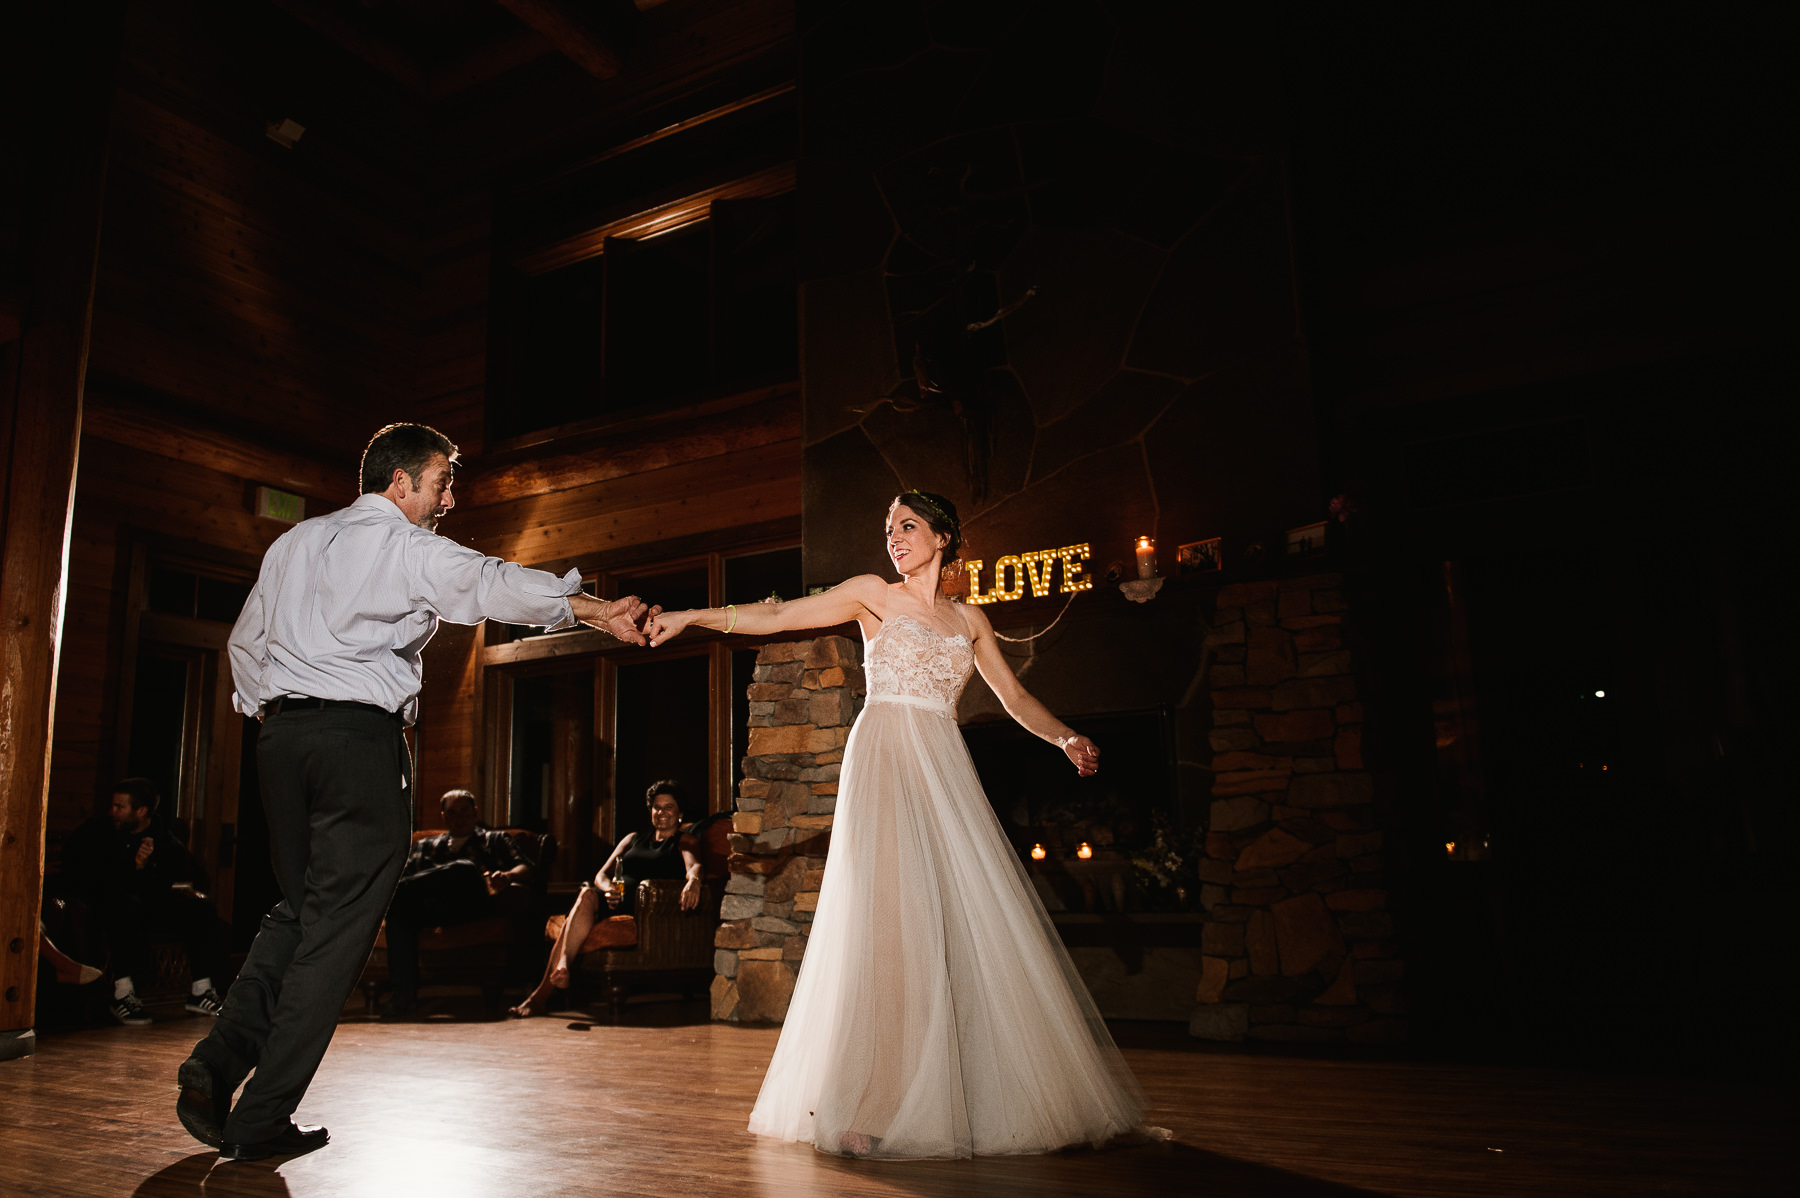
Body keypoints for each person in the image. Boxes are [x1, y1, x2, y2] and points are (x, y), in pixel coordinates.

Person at [176, 422, 652, 1162]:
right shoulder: (404, 545)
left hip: (281, 742)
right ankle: (261, 1116)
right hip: (356, 746)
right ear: (400, 483)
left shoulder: (294, 544)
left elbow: (246, 645)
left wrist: (277, 717)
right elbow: (492, 583)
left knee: (299, 914)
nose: (449, 499)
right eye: (441, 483)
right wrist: (595, 608)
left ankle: (213, 1066)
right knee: (335, 937)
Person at [646, 491, 1145, 1159]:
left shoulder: (969, 620)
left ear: (944, 536)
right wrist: (692, 616)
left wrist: (1065, 738)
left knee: (944, 926)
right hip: (882, 756)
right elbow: (783, 614)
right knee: (886, 928)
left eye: (908, 525)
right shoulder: (872, 595)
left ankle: (959, 1093)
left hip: (941, 769)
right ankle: (873, 1102)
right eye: (888, 528)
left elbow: (1014, 696)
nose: (894, 537)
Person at [509, 779, 702, 1018]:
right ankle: (561, 971)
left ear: (680, 812)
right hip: (611, 901)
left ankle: (542, 993)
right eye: (656, 807)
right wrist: (609, 888)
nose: (661, 812)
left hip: (642, 911)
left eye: (669, 807)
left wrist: (694, 881)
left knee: (569, 924)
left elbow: (693, 866)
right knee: (588, 892)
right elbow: (601, 874)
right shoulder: (632, 838)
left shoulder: (684, 840)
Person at [58, 778, 228, 1025]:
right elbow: (90, 875)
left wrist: (148, 866)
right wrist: (132, 865)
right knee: (124, 905)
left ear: (142, 811)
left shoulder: (162, 839)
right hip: (108, 906)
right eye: (113, 805)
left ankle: (201, 990)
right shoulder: (98, 831)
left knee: (202, 908)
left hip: (150, 904)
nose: (112, 812)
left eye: (120, 807)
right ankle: (123, 994)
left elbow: (178, 876)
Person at [380, 788, 536, 1020]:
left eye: (464, 812)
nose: (459, 818)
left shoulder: (494, 839)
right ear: (443, 817)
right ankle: (404, 997)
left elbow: (526, 867)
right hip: (432, 907)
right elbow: (404, 877)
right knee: (399, 912)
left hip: (475, 905)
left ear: (474, 813)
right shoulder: (426, 845)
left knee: (463, 868)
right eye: (452, 813)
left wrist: (506, 876)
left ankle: (380, 897)